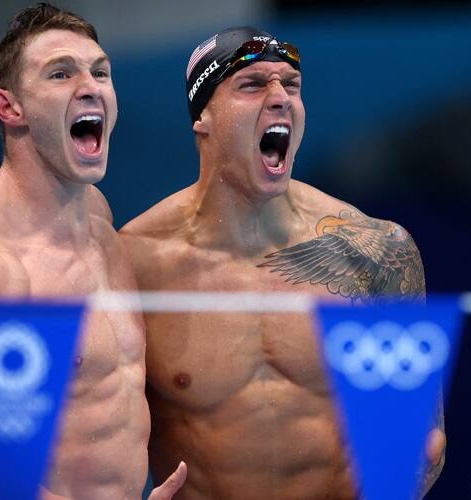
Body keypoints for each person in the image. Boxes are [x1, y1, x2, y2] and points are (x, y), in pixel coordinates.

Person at [120, 26, 445, 499]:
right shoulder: (134, 261)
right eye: (252, 84)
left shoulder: (376, 250)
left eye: (291, 85)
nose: (280, 98)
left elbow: (426, 445)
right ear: (203, 117)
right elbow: (90, 429)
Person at [0, 4, 185, 499]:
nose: (90, 86)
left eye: (100, 71)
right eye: (61, 73)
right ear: (9, 107)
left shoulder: (97, 217)